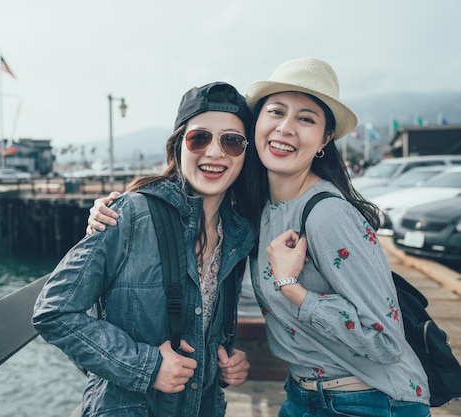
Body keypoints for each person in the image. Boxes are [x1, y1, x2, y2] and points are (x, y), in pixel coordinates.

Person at [86, 58, 431, 417]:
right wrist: (117, 211)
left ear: (325, 138)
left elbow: (386, 341)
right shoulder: (256, 210)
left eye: (306, 119)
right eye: (276, 112)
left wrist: (292, 288)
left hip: (371, 402)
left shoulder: (329, 214)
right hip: (304, 396)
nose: (286, 128)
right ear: (257, 125)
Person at [33, 81, 256, 417]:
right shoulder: (132, 213)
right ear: (178, 145)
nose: (214, 152)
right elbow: (54, 311)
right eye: (200, 138)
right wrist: (147, 366)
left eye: (232, 141)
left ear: (244, 153)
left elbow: (205, 324)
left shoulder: (238, 234)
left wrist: (225, 360)